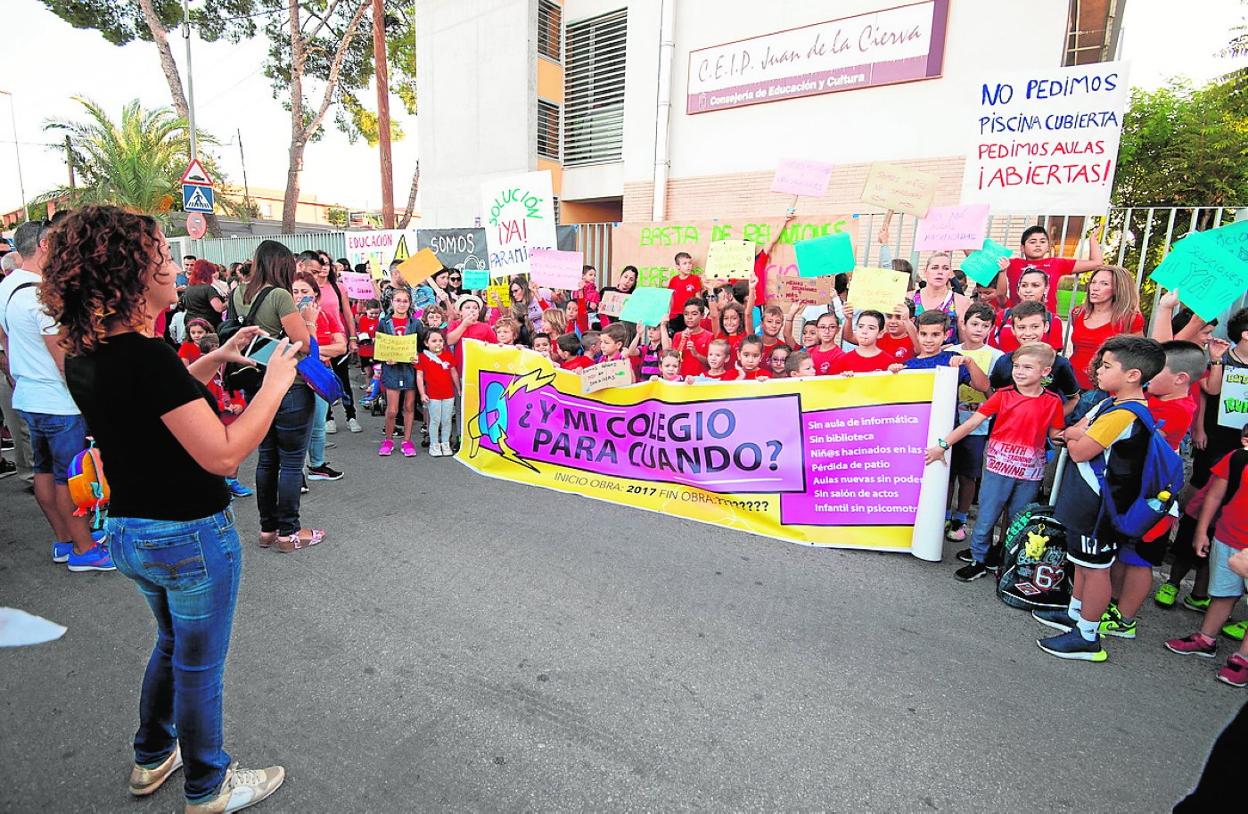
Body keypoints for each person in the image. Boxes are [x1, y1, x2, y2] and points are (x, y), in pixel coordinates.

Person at [44, 205, 289, 811]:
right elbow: (224, 454)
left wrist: (216, 358)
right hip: (187, 534)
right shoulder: (145, 355)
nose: (174, 267)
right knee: (199, 666)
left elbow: (157, 403)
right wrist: (276, 383)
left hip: (131, 529)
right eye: (161, 256)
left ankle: (153, 754)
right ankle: (209, 785)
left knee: (173, 645)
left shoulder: (90, 351)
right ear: (131, 272)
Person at [1033, 335, 1167, 661]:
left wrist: (1075, 436)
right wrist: (1076, 434)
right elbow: (1073, 431)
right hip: (1084, 499)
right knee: (1082, 562)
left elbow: (1079, 448)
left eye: (1107, 366)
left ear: (1133, 375)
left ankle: (1088, 635)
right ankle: (1075, 613)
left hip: (1100, 504)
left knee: (1096, 569)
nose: (1099, 371)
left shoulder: (1124, 414)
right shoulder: (1110, 403)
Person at [0, 220, 109, 571]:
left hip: (30, 397)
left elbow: (7, 342)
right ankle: (83, 548)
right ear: (46, 245)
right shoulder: (42, 296)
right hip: (58, 402)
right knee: (70, 477)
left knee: (45, 471)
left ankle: (65, 540)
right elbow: (65, 360)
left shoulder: (9, 288)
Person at [925, 342, 1065, 581]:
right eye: (1016, 366)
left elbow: (1055, 433)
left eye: (1027, 367)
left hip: (1030, 472)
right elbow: (972, 423)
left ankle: (1006, 558)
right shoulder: (1003, 395)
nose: (1019, 371)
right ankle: (979, 559)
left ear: (1045, 372)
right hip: (997, 467)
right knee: (987, 514)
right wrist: (943, 446)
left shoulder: (1053, 401)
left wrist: (1074, 436)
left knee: (1018, 519)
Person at [1094, 340, 1205, 639]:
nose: (1147, 374)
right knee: (1122, 553)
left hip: (1154, 496)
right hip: (1132, 491)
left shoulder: (1179, 408)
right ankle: (1110, 604)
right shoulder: (1150, 398)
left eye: (1156, 371)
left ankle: (1125, 619)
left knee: (1140, 559)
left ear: (1180, 379)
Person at [228, 240, 318, 553]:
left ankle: (267, 529)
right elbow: (303, 344)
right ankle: (289, 532)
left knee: (266, 458)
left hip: (255, 385)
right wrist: (308, 319)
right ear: (283, 265)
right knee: (291, 462)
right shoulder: (280, 295)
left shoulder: (238, 293)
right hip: (287, 385)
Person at [1164, 423, 1248, 687]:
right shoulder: (1237, 458)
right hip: (1226, 536)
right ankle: (1206, 638)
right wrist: (1201, 531)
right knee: (1223, 593)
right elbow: (1214, 496)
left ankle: (1243, 659)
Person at [945, 303, 1004, 541]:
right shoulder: (949, 351)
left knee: (968, 474)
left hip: (977, 425)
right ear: (964, 324)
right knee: (947, 473)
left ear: (991, 328)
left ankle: (960, 518)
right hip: (947, 421)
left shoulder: (996, 356)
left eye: (985, 325)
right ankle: (944, 514)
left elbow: (994, 394)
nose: (979, 329)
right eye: (975, 324)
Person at [291, 271, 346, 482]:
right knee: (296, 426)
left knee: (318, 424)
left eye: (304, 291)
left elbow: (340, 347)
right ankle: (295, 472)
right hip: (295, 377)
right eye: (295, 291)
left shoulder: (325, 315)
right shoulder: (288, 318)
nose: (299, 296)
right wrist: (312, 353)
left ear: (315, 293)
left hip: (320, 375)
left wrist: (312, 353)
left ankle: (317, 465)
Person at [302, 251, 360, 435]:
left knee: (342, 379)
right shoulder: (307, 289)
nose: (324, 268)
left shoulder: (338, 287)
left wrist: (352, 338)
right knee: (321, 378)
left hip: (338, 339)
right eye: (321, 264)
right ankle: (328, 418)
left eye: (327, 264)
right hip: (316, 340)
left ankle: (351, 415)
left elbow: (347, 314)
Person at [989, 301, 1081, 415]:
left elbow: (1074, 398)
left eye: (1035, 327)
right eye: (1021, 327)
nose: (1028, 333)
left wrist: (1051, 419)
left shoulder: (1060, 364)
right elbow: (993, 392)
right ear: (1013, 329)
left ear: (1046, 326)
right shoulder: (1003, 361)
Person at [1067, 265, 1145, 391]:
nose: (1095, 288)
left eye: (1104, 284)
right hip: (1071, 383)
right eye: (1093, 282)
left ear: (1117, 289)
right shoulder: (1078, 313)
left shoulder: (1130, 319)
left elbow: (1138, 356)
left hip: (1105, 388)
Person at [998, 224, 1104, 311]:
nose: (1038, 245)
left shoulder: (1056, 263)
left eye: (1042, 241)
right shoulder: (1011, 264)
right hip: (1019, 319)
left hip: (1047, 319)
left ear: (1048, 247)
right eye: (1032, 242)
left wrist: (1092, 240)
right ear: (1022, 248)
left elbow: (1097, 263)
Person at [377, 288, 419, 458]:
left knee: (409, 406)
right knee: (392, 409)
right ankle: (388, 440)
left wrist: (417, 357)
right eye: (398, 300)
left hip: (409, 369)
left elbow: (421, 346)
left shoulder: (415, 323)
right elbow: (379, 346)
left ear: (410, 303)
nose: (402, 304)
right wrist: (385, 358)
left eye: (405, 301)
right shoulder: (384, 323)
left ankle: (407, 441)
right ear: (392, 302)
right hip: (392, 369)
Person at [992, 267, 1065, 353]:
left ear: (1046, 288)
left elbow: (1052, 355)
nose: (1028, 290)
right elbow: (991, 350)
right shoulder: (1003, 316)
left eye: (1035, 285)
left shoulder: (1053, 320)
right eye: (1024, 285)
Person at [416, 328, 460, 458]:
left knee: (446, 420)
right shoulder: (422, 357)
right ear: (426, 343)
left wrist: (458, 388)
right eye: (434, 341)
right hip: (433, 395)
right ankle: (434, 444)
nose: (438, 343)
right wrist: (422, 393)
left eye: (440, 340)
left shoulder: (448, 355)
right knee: (435, 420)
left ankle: (445, 443)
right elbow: (419, 376)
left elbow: (453, 372)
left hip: (448, 394)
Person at [910, 253, 970, 344]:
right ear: (925, 271)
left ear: (950, 273)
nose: (940, 272)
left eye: (945, 268)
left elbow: (965, 343)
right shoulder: (909, 297)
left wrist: (953, 348)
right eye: (935, 268)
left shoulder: (961, 301)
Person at [180, 259, 227, 327]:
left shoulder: (188, 289)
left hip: (191, 323)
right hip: (207, 324)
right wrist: (229, 302)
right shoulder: (208, 289)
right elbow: (219, 308)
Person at [674, 298, 712, 378]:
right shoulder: (678, 336)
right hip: (681, 380)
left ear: (702, 315)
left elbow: (712, 363)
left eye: (694, 314)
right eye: (686, 314)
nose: (689, 317)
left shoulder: (709, 336)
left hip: (701, 381)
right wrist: (682, 342)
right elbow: (673, 360)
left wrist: (696, 354)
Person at [667, 252, 702, 329]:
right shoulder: (673, 280)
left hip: (689, 315)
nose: (688, 266)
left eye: (690, 263)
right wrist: (669, 313)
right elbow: (671, 299)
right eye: (685, 263)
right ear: (678, 267)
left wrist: (699, 312)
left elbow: (698, 297)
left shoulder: (695, 279)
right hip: (675, 315)